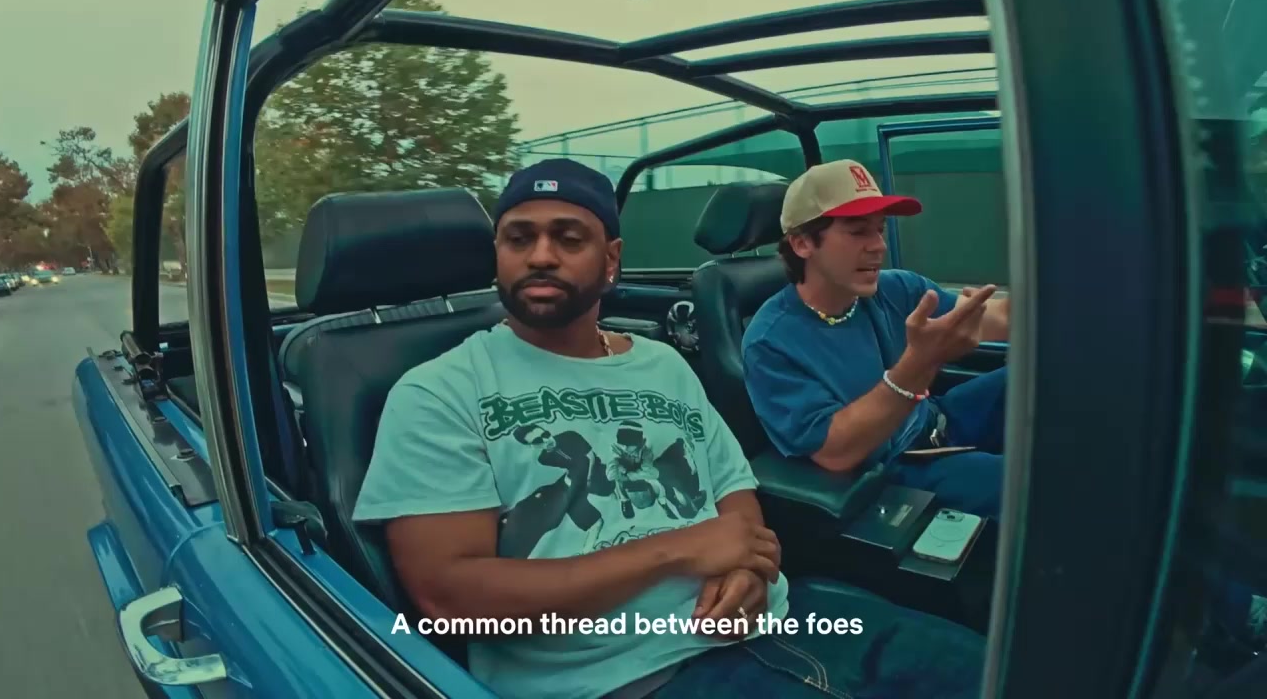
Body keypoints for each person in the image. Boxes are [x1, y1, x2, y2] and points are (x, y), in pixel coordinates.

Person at [352, 158, 985, 699]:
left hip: (786, 618)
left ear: (611, 260)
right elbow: (452, 602)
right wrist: (678, 551)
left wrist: (749, 573)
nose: (541, 255)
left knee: (1000, 669)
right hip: (634, 676)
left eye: (569, 238)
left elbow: (735, 495)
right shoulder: (440, 391)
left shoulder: (661, 364)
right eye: (520, 238)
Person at [742, 159, 1011, 520]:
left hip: (940, 418)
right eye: (858, 232)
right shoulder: (769, 343)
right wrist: (921, 361)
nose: (878, 246)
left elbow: (996, 317)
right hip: (895, 470)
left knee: (1044, 380)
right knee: (1035, 478)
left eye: (879, 229)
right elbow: (836, 451)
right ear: (802, 243)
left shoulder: (898, 288)